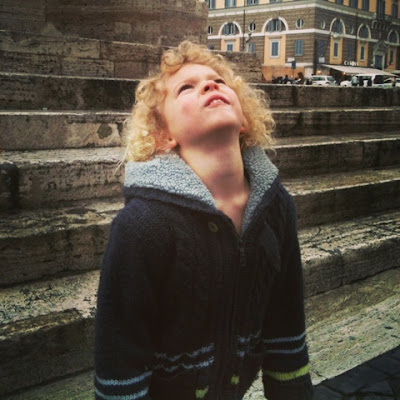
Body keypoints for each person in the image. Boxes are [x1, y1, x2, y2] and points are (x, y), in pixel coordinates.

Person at [94, 41, 314, 400]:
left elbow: (286, 327)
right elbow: (120, 357)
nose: (210, 85)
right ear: (164, 135)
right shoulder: (141, 225)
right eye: (186, 87)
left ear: (244, 120)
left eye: (218, 81)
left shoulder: (277, 208)